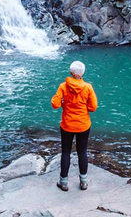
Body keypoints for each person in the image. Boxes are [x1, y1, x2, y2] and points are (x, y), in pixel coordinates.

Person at [51, 60, 98, 191]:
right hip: (83, 124)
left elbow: (55, 104)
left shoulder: (63, 86)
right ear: (82, 73)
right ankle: (83, 182)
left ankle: (63, 182)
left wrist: (63, 104)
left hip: (67, 124)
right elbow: (93, 107)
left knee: (65, 152)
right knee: (82, 152)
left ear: (71, 72)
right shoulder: (88, 87)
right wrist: (85, 108)